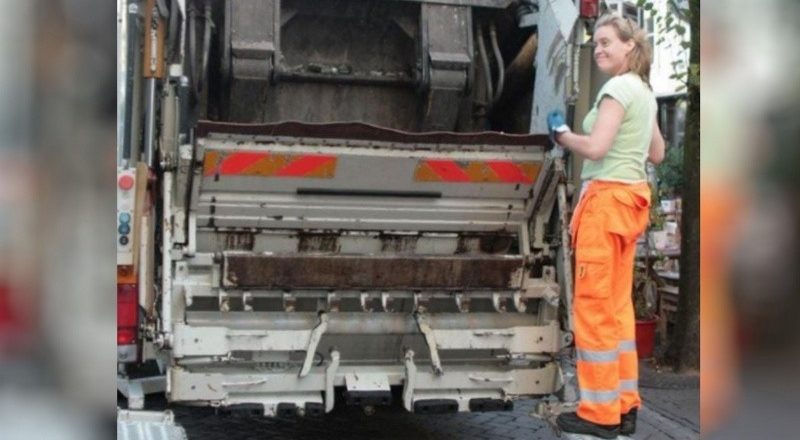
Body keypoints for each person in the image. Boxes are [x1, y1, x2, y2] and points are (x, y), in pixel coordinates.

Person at [547, 14, 665, 439]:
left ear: (629, 46)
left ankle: (597, 415)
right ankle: (624, 406)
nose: (598, 50)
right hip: (629, 205)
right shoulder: (644, 92)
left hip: (605, 204)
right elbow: (657, 152)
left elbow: (595, 147)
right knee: (617, 312)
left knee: (594, 312)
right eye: (595, 43)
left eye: (606, 43)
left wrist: (561, 135)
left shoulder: (616, 89)